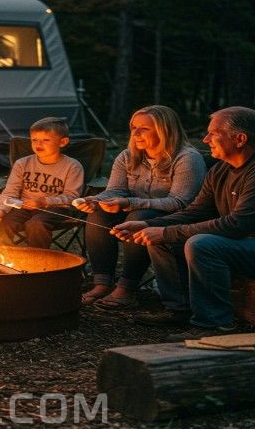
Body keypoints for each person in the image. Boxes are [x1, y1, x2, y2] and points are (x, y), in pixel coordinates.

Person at [113, 106, 255, 339]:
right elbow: (196, 212)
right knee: (162, 237)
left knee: (202, 244)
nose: (206, 139)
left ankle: (214, 324)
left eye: (213, 133)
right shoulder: (221, 170)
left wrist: (166, 232)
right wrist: (150, 226)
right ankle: (179, 308)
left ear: (240, 139)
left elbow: (236, 225)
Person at [74, 105, 206, 312]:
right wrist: (96, 199)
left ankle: (127, 288)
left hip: (173, 217)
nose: (135, 134)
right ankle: (102, 283)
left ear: (165, 130)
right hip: (134, 210)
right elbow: (115, 190)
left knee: (138, 215)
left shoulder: (187, 158)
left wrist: (130, 203)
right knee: (98, 214)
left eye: (144, 129)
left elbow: (181, 202)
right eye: (133, 127)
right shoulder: (128, 156)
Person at [0, 117, 84, 249]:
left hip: (57, 209)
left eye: (45, 140)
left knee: (36, 224)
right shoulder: (22, 163)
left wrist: (43, 202)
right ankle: (0, 258)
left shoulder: (72, 166)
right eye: (34, 140)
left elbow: (72, 196)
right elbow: (10, 192)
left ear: (63, 142)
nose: (38, 144)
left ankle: (38, 261)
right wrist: (0, 210)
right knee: (3, 222)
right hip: (24, 207)